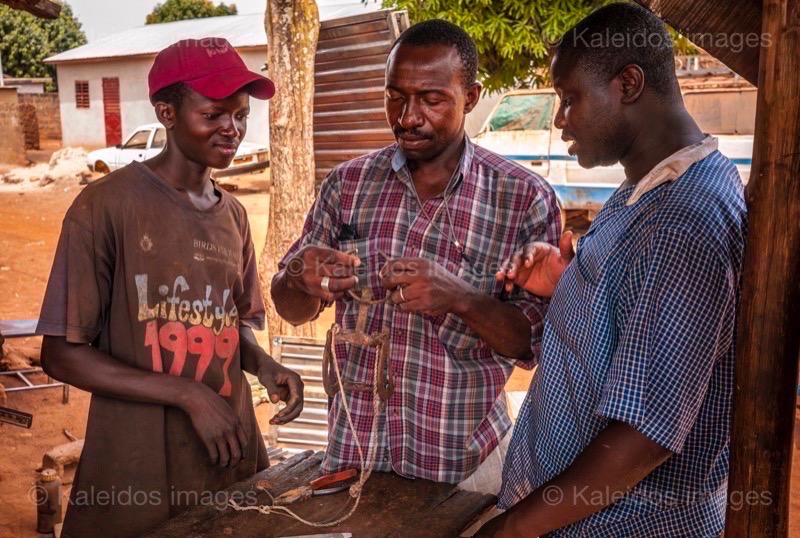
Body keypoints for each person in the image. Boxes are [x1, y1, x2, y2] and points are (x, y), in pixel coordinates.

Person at [477, 3, 748, 536]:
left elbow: (642, 437)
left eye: (570, 98)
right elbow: (632, 310)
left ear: (627, 84)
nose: (560, 120)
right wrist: (569, 281)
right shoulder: (647, 187)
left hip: (626, 524)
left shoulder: (681, 222)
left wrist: (513, 528)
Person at [271, 19, 561, 487]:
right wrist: (297, 280)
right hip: (354, 459)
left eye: (431, 99)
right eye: (395, 96)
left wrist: (460, 297)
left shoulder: (522, 197)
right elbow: (291, 307)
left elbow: (530, 344)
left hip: (465, 470)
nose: (407, 117)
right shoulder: (347, 185)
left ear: (470, 95)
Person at [37, 38, 304, 537]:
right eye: (214, 114)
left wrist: (264, 364)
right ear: (166, 112)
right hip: (135, 466)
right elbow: (60, 354)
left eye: (241, 115)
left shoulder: (235, 217)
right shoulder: (105, 207)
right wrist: (187, 394)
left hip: (226, 452)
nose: (233, 129)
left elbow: (233, 325)